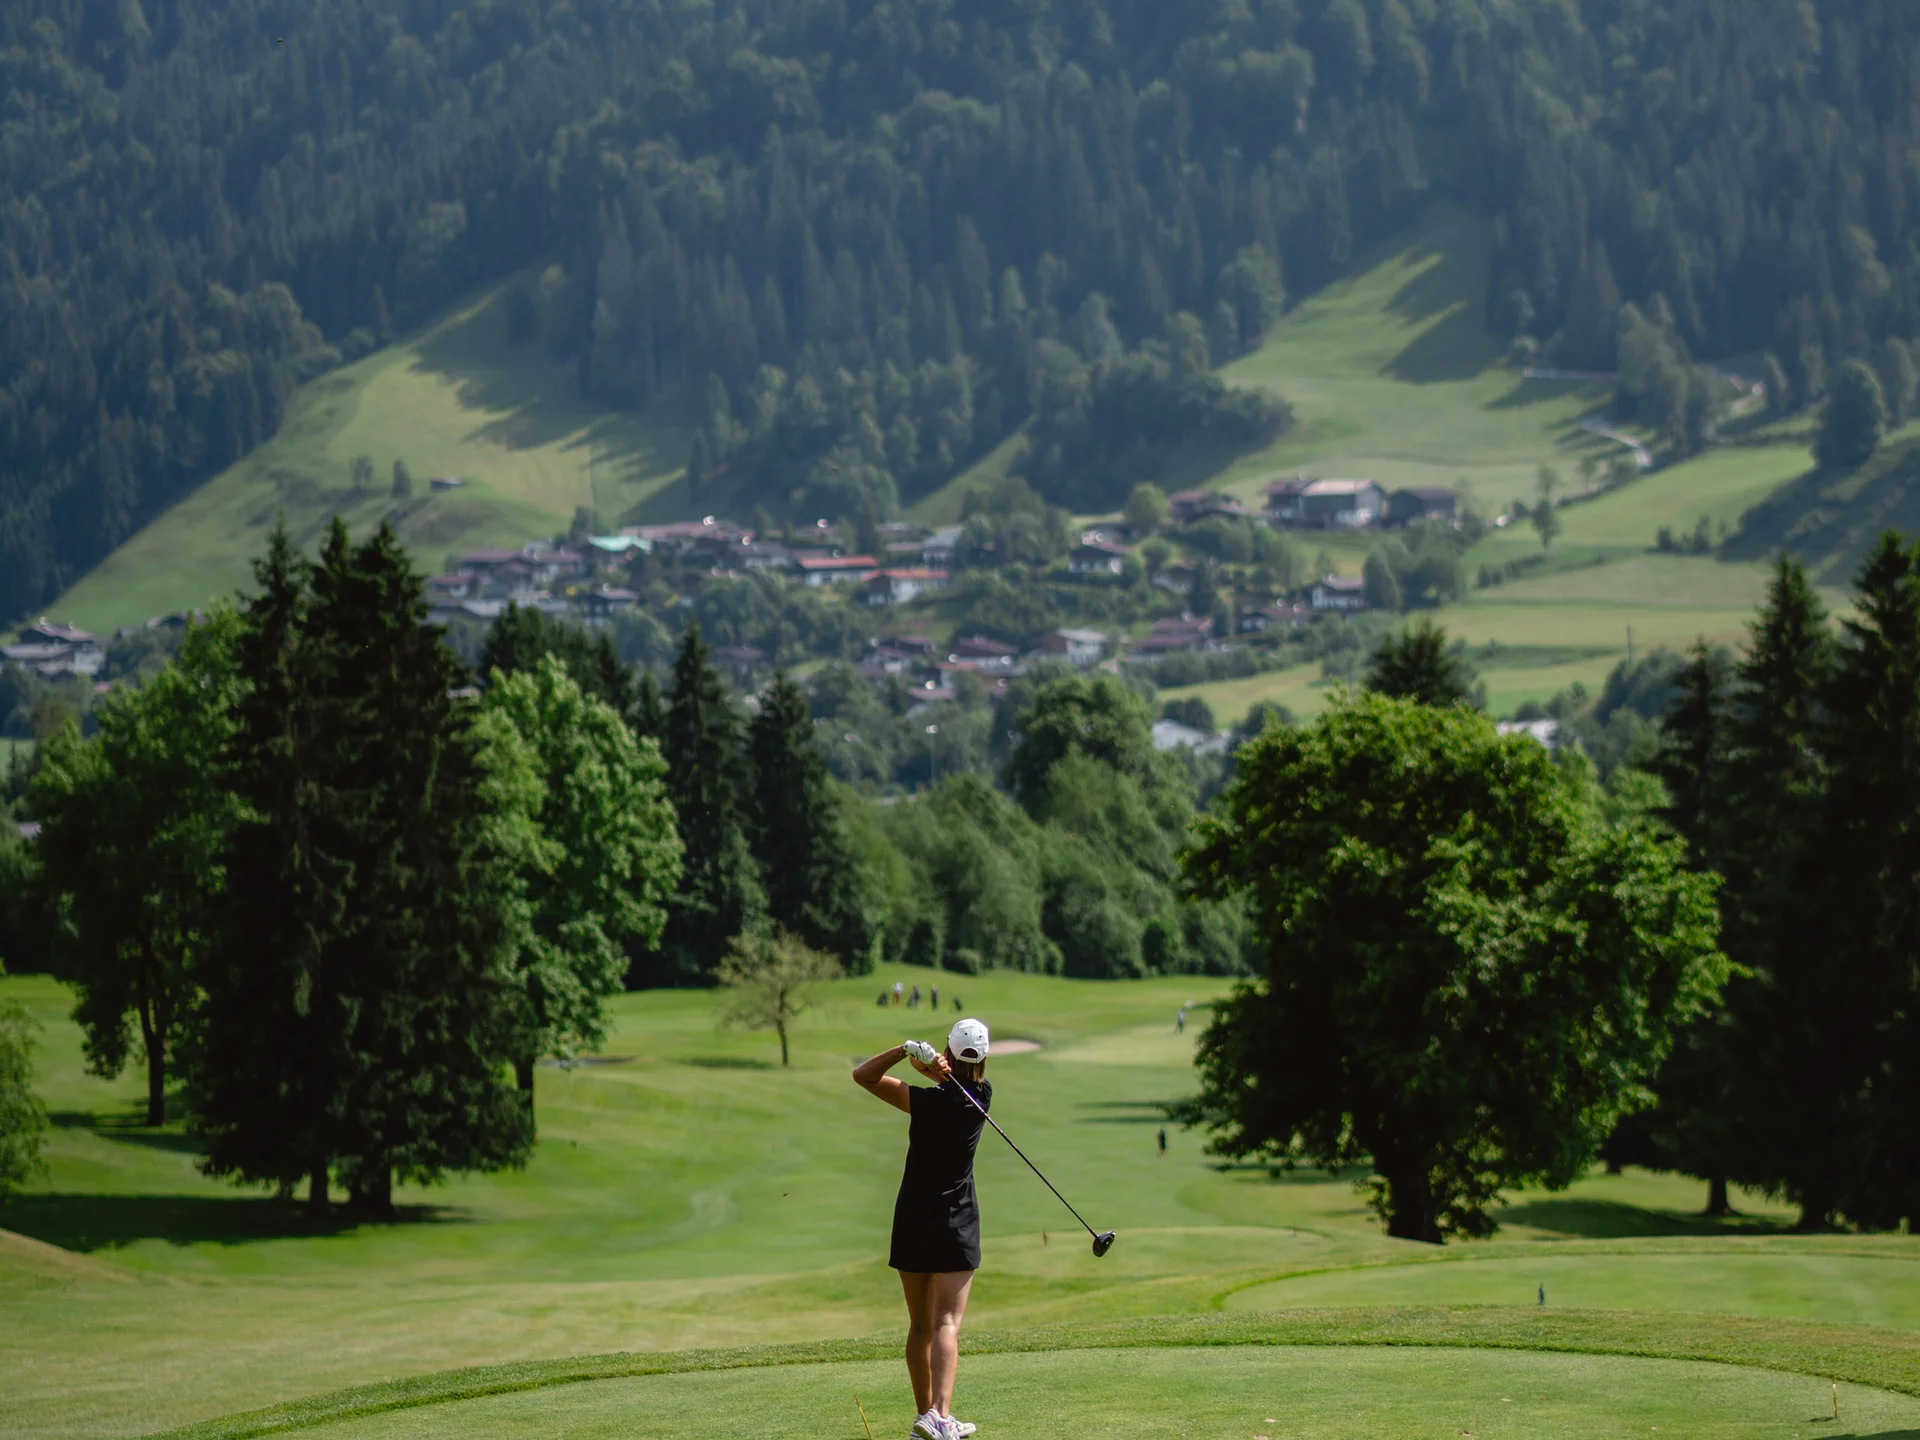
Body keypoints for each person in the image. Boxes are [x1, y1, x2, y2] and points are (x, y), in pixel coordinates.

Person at [853, 1018, 993, 1440]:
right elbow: (957, 1083)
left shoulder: (922, 1102)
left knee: (919, 1327)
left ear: (947, 1052)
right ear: (983, 1060)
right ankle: (938, 1414)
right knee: (946, 1322)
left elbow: (864, 1076)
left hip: (913, 1217)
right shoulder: (982, 1096)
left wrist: (904, 1049)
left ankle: (926, 1418)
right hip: (956, 1222)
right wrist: (934, 1066)